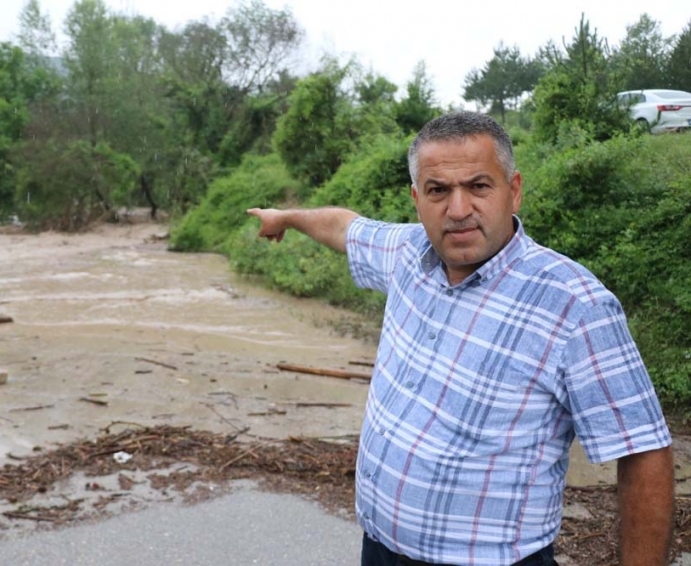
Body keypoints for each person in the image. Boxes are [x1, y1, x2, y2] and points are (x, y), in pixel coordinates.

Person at [247, 111, 674, 566]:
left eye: (478, 186)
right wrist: (287, 216)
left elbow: (643, 451)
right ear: (417, 198)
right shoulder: (408, 252)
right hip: (379, 548)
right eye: (438, 191)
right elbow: (343, 227)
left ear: (514, 191)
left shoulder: (575, 306)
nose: (457, 209)